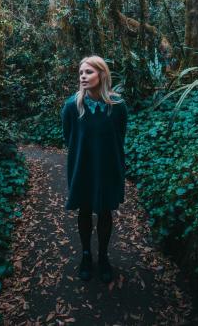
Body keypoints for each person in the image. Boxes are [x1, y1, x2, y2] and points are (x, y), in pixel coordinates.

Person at [61, 56, 128, 283]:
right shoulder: (72, 106)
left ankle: (103, 256)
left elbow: (120, 136)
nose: (83, 76)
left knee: (106, 211)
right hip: (82, 167)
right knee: (85, 210)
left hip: (108, 167)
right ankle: (86, 255)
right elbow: (68, 136)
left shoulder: (117, 106)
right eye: (81, 72)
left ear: (102, 74)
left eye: (88, 72)